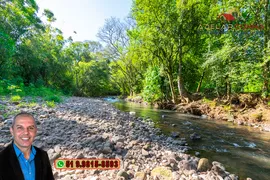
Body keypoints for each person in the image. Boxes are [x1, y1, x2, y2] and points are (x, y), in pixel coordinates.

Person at [0, 112, 54, 180]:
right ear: (12, 131)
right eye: (20, 128)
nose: (26, 132)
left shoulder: (43, 155)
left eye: (30, 128)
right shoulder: (2, 158)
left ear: (35, 131)